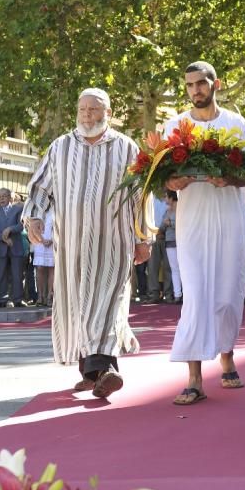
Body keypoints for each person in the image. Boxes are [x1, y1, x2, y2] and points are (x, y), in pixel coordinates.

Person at [23, 87, 149, 399]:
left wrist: (143, 237)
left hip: (114, 242)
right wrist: (34, 217)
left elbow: (140, 197)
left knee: (106, 303)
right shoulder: (60, 147)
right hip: (72, 245)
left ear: (109, 114)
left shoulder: (127, 148)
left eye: (94, 109)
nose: (87, 115)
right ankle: (92, 371)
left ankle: (105, 370)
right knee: (79, 304)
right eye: (82, 109)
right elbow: (40, 187)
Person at [164, 62, 245, 406]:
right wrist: (174, 182)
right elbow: (164, 180)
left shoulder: (235, 123)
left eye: (200, 83)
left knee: (229, 295)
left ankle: (227, 357)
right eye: (189, 85)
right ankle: (194, 377)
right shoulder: (175, 125)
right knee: (196, 296)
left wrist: (229, 179)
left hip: (230, 220)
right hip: (193, 224)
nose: (195, 90)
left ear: (215, 84)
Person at [0, 188, 27, 307]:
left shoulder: (18, 209)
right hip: (1, 246)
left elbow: (21, 225)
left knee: (17, 274)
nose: (1, 199)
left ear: (10, 197)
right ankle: (2, 299)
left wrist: (10, 229)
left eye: (4, 196)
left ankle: (17, 299)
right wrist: (4, 238)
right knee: (1, 274)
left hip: (15, 246)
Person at [159, 191, 182, 304]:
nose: (164, 199)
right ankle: (177, 294)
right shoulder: (167, 211)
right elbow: (162, 226)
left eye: (166, 197)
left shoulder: (182, 209)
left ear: (172, 198)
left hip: (182, 241)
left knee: (184, 268)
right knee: (174, 268)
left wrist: (170, 223)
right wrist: (166, 224)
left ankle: (186, 294)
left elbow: (183, 224)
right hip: (169, 242)